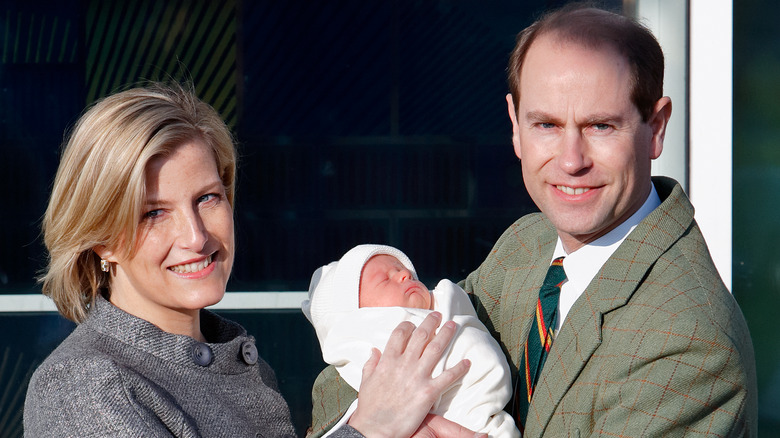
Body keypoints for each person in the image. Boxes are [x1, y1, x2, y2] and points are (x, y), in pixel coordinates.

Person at [309, 4, 758, 437]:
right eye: (546, 125)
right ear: (515, 125)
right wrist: (373, 427)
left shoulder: (689, 344)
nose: (571, 161)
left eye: (600, 126)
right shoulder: (528, 243)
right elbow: (355, 356)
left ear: (656, 128)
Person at [23, 83, 478, 438]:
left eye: (207, 198)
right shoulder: (81, 385)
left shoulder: (248, 366)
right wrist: (371, 428)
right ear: (102, 240)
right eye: (154, 213)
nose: (196, 236)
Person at [302, 244, 520, 438]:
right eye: (385, 279)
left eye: (405, 271)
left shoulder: (457, 305)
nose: (405, 274)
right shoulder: (366, 342)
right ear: (357, 315)